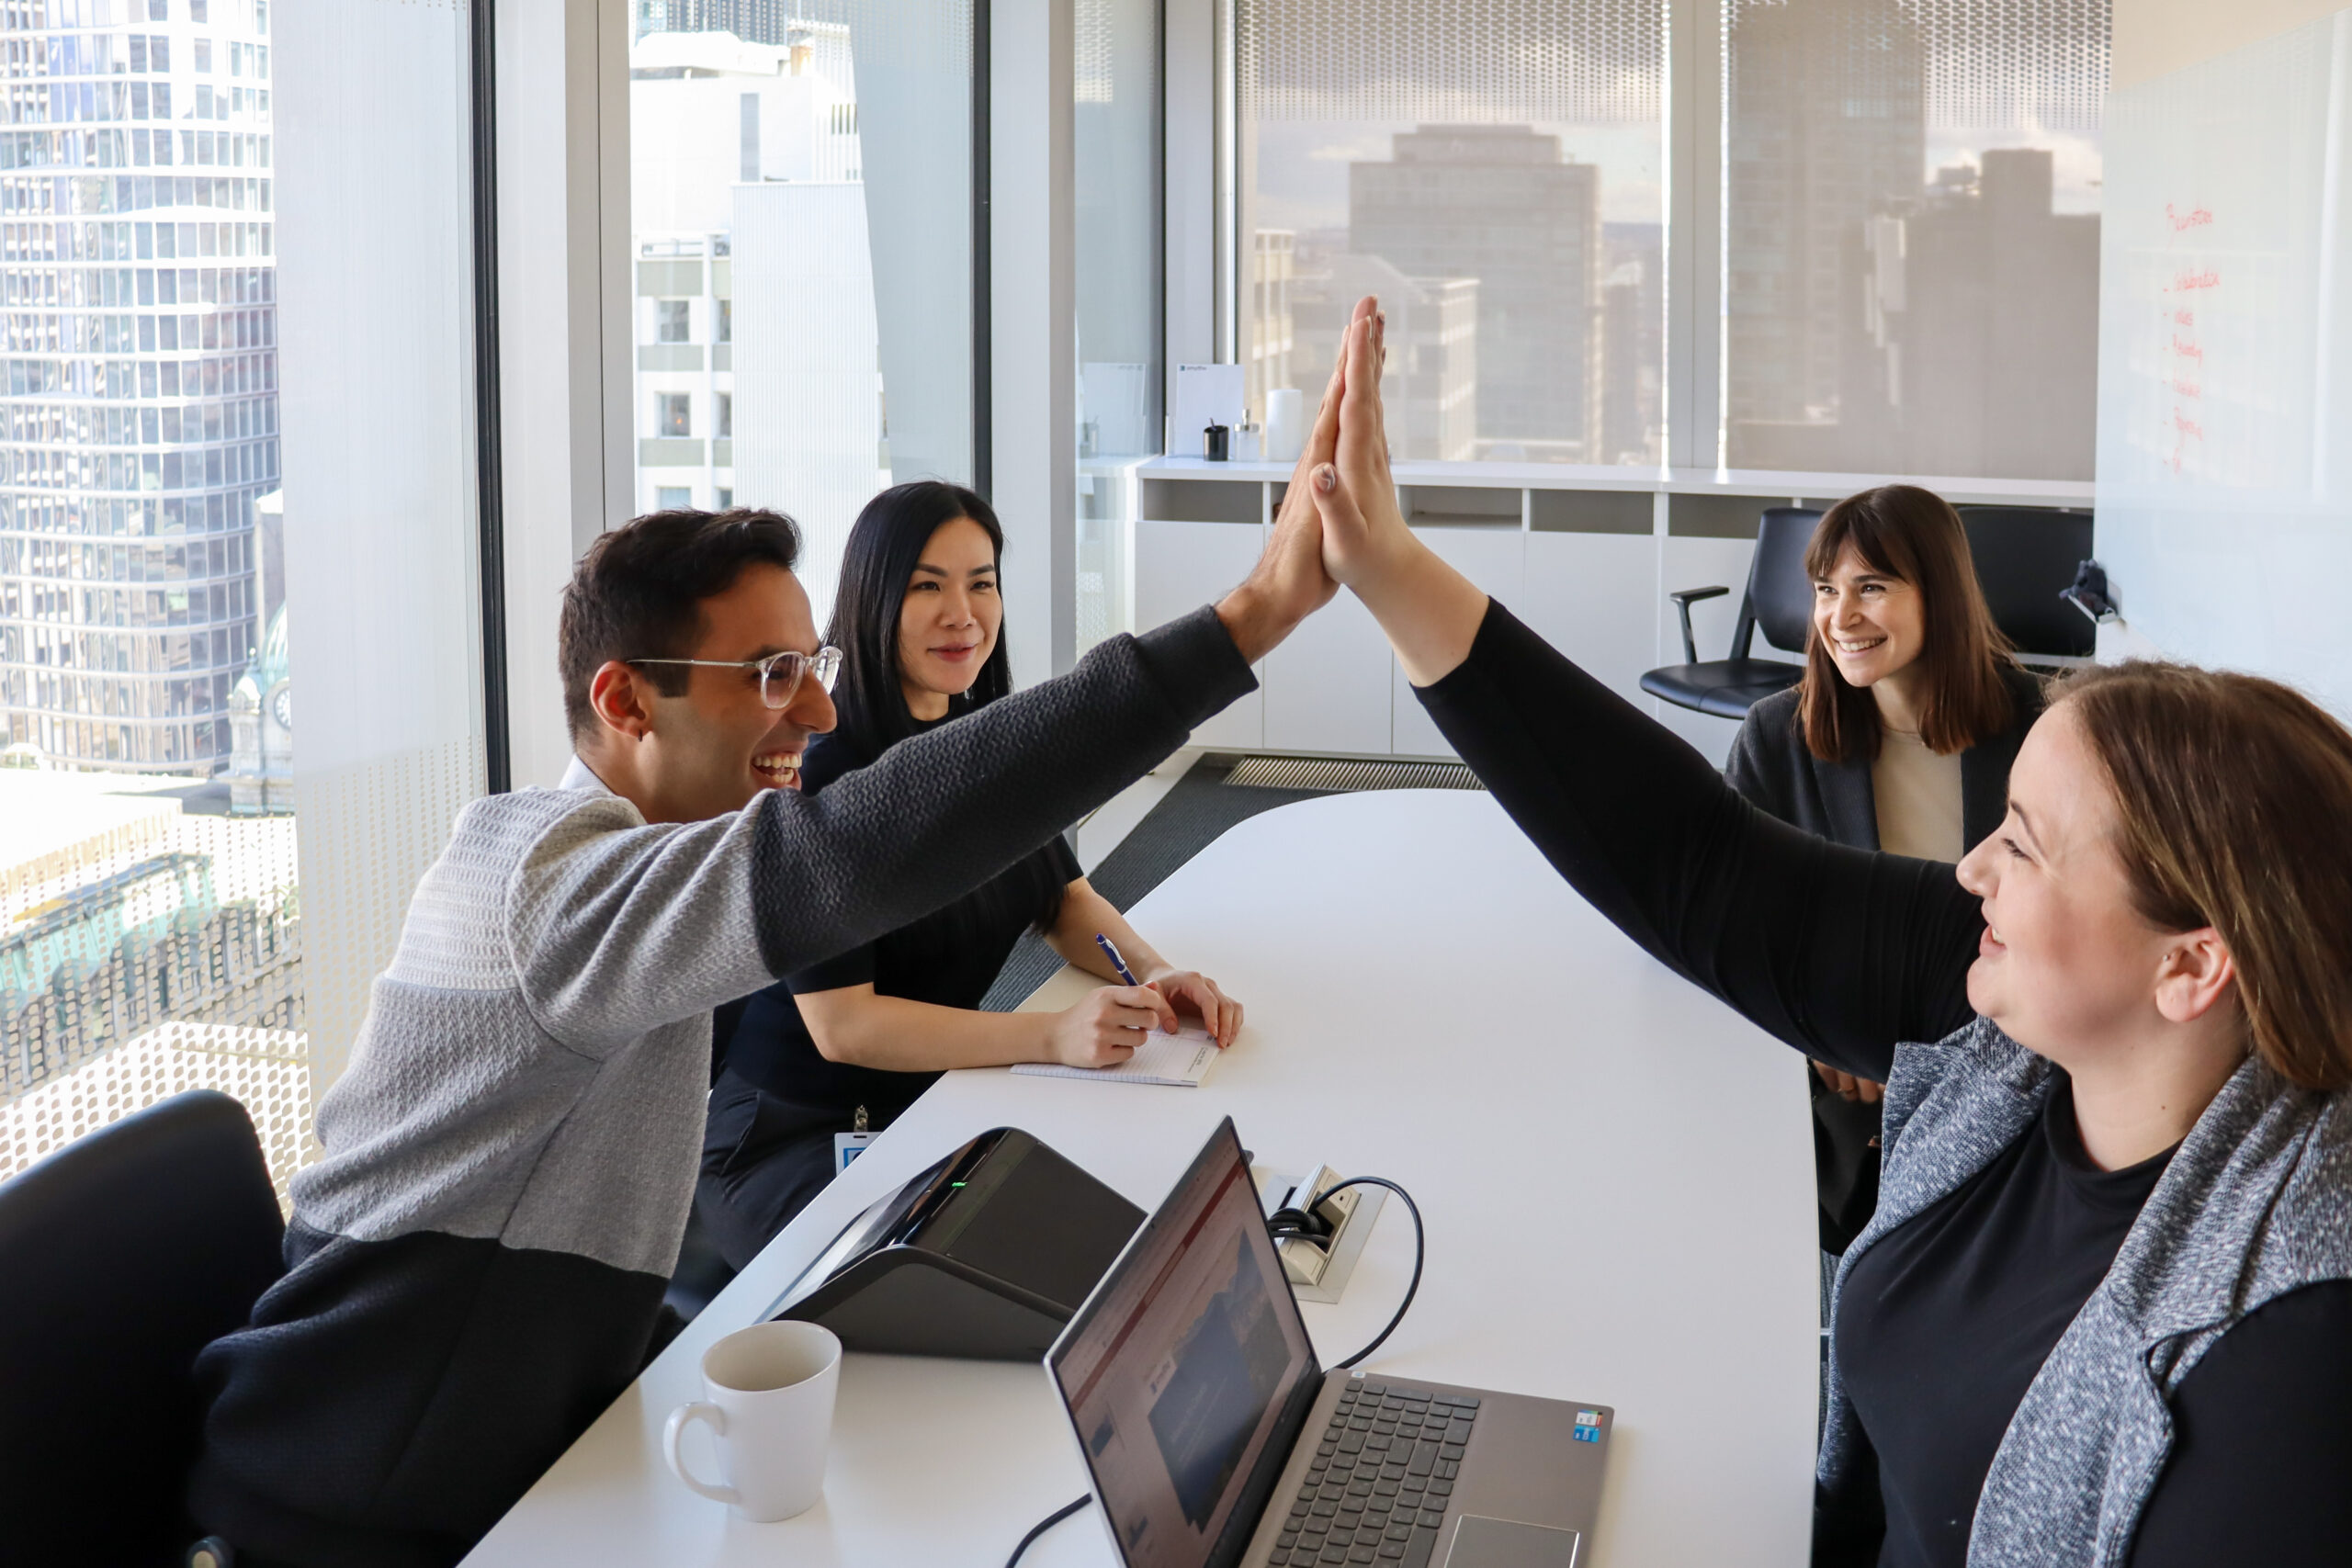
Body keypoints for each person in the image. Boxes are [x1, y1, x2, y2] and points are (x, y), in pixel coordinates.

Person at [186, 354, 1349, 1568]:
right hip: (367, 1491)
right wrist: (1249, 616)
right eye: (770, 676)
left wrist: (1133, 969)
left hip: (530, 1430)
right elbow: (857, 857)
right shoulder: (550, 892)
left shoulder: (652, 859)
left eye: (813, 668)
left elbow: (1046, 883)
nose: (819, 716)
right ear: (627, 702)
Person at [1301, 299, 2352, 1567]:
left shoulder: (2288, 1342)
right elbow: (1697, 865)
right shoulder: (2019, 1039)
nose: (1972, 866)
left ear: (2190, 963)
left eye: (2021, 843)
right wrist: (1387, 565)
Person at [698, 480, 1243, 1268]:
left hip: (938, 1098)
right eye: (928, 586)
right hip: (802, 1136)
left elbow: (1063, 899)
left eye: (981, 583)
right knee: (980, 1281)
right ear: (874, 600)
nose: (964, 613)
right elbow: (842, 1024)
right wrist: (1053, 1034)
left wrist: (1158, 972)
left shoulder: (979, 743)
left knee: (1114, 1218)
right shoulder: (824, 774)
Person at [1724, 486, 2045, 1251]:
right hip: (1837, 1082)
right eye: (1828, 590)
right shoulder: (1777, 738)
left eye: (1873, 587)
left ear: (1939, 591)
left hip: (1997, 1062)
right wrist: (1825, 1033)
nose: (1841, 616)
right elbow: (1732, 920)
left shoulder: (2034, 730)